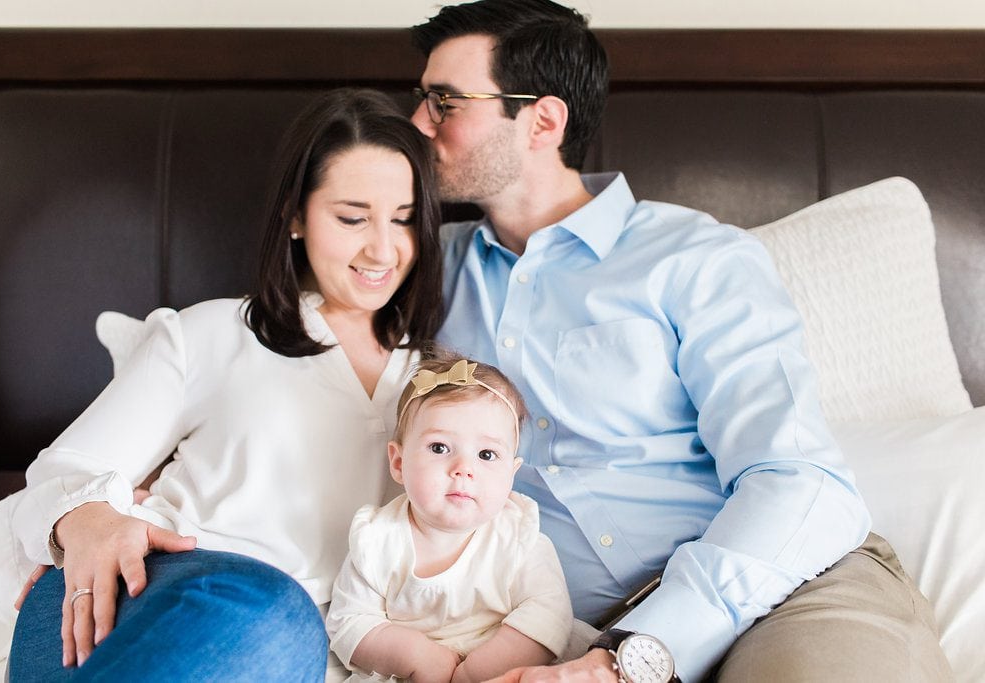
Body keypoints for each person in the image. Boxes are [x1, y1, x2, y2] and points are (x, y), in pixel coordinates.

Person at [407, 1, 954, 681]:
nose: (417, 123)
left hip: (786, 589)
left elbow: (798, 480)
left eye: (444, 101)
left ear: (543, 121)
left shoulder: (696, 259)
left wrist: (630, 655)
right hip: (561, 632)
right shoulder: (424, 269)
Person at [5, 87, 444, 681]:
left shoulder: (435, 383)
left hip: (301, 647)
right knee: (276, 612)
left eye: (405, 219)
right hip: (140, 605)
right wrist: (93, 522)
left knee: (291, 627)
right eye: (351, 218)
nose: (384, 249)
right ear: (295, 215)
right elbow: (63, 473)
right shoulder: (214, 332)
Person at [326, 354, 573, 682]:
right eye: (440, 447)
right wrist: (416, 657)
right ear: (398, 463)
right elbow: (349, 621)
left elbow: (549, 614)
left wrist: (476, 672)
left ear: (511, 474)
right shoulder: (377, 538)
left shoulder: (517, 536)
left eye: (486, 455)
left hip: (508, 666)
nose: (463, 469)